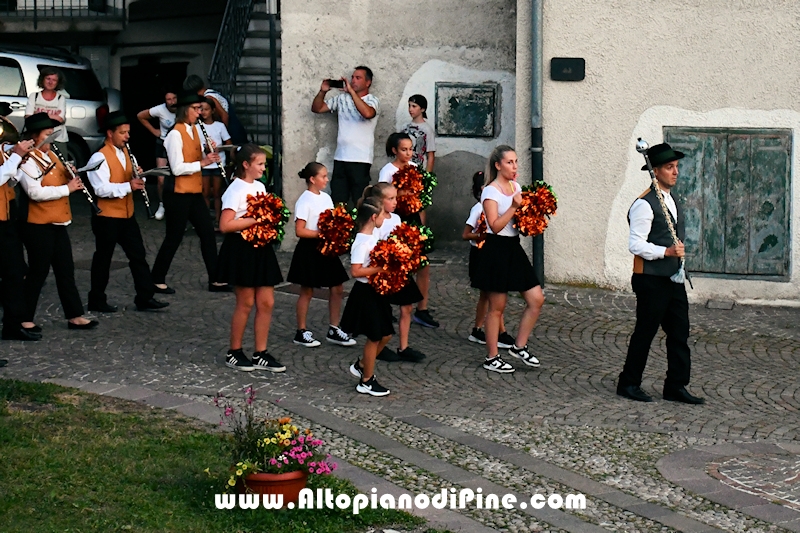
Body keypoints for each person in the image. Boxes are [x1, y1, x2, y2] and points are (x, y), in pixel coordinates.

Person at [617, 143, 705, 405]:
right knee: (645, 331)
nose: (675, 172)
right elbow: (636, 244)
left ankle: (676, 386)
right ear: (655, 172)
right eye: (669, 167)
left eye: (676, 167)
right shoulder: (645, 204)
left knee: (680, 332)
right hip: (651, 279)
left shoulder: (670, 198)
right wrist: (666, 252)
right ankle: (629, 383)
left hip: (672, 278)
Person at [16, 112, 99, 332]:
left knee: (65, 269)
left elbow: (60, 177)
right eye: (47, 135)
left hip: (57, 220)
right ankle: (24, 318)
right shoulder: (27, 160)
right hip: (36, 223)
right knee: (38, 271)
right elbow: (35, 192)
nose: (51, 140)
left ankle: (74, 315)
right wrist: (68, 188)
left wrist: (71, 173)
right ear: (35, 137)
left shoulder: (51, 155)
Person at [84, 111, 170, 313]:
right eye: (122, 133)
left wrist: (139, 177)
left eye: (127, 132)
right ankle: (96, 299)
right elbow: (100, 189)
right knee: (103, 259)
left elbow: (131, 180)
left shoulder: (125, 153)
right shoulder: (99, 157)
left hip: (126, 214)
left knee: (138, 255)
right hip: (106, 217)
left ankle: (145, 297)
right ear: (110, 133)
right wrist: (128, 186)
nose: (127, 136)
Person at [473, 145, 544, 373]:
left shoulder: (516, 187)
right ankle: (492, 356)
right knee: (497, 307)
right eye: (509, 162)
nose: (514, 167)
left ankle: (519, 346)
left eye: (515, 162)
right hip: (495, 249)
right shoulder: (490, 192)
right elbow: (494, 226)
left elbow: (517, 223)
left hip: (513, 247)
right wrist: (514, 206)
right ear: (498, 165)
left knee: (536, 299)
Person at [150, 91, 230, 294]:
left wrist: (208, 152)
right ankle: (157, 278)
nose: (200, 113)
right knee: (174, 237)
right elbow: (177, 168)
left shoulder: (195, 130)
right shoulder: (175, 134)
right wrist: (203, 162)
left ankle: (216, 279)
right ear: (186, 110)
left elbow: (194, 154)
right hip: (177, 193)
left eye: (201, 109)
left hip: (193, 191)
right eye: (196, 109)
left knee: (207, 234)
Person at [217, 143, 285, 372]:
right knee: (245, 302)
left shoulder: (260, 187)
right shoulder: (234, 190)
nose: (263, 168)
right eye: (260, 164)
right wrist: (256, 219)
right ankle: (234, 351)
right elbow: (225, 225)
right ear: (245, 165)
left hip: (260, 247)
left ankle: (260, 352)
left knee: (267, 302)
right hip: (241, 247)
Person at [287, 162, 356, 348]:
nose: (326, 179)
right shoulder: (304, 200)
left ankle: (334, 327)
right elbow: (300, 231)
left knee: (337, 286)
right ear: (312, 179)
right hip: (309, 248)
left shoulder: (326, 198)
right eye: (323, 176)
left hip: (326, 248)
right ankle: (301, 331)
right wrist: (322, 234)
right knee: (307, 290)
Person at [378, 132, 438, 329]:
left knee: (422, 264)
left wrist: (422, 223)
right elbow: (382, 197)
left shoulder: (415, 169)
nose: (408, 153)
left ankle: (422, 309)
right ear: (394, 150)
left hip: (413, 219)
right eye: (404, 149)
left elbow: (421, 200)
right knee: (393, 264)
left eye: (411, 149)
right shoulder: (387, 170)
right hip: (395, 219)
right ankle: (386, 305)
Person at [366, 182, 425, 363]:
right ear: (379, 201)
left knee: (407, 306)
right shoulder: (375, 220)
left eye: (395, 198)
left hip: (398, 270)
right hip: (383, 272)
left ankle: (404, 346)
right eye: (390, 199)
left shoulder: (396, 219)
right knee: (383, 309)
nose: (395, 202)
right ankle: (380, 345)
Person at [341, 196, 393, 396]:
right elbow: (355, 271)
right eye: (381, 215)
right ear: (373, 217)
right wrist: (380, 268)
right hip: (365, 292)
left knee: (386, 334)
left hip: (377, 291)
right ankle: (366, 380)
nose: (384, 218)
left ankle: (363, 365)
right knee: (374, 336)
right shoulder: (362, 241)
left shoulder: (373, 236)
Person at [462, 171, 516, 349]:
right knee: (492, 295)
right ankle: (499, 333)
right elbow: (466, 234)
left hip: (490, 252)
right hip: (480, 253)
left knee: (489, 295)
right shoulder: (479, 209)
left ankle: (481, 329)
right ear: (482, 189)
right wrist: (482, 235)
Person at [311, 66, 379, 207]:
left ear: (368, 83)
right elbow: (317, 108)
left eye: (358, 78)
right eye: (352, 77)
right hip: (341, 158)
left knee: (360, 201)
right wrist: (322, 92)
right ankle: (340, 228)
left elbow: (367, 113)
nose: (353, 80)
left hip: (361, 159)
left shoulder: (372, 100)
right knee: (338, 199)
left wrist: (352, 93)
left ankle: (359, 229)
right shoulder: (341, 99)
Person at [0, 103, 39, 344]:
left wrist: (18, 165)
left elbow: (9, 181)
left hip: (5, 217)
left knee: (15, 272)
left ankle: (13, 324)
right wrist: (15, 156)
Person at [136, 90, 177, 220]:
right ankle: (162, 204)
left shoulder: (184, 109)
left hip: (177, 144)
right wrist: (154, 131)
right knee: (161, 178)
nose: (172, 102)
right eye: (169, 99)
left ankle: (175, 205)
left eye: (174, 98)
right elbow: (140, 116)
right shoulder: (160, 110)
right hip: (163, 143)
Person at [197, 98, 231, 227]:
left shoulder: (219, 126)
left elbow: (228, 143)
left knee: (217, 193)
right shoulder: (197, 127)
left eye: (206, 109)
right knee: (205, 193)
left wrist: (218, 149)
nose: (203, 112)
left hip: (218, 162)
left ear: (212, 111)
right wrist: (204, 149)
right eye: (201, 109)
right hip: (204, 163)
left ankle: (218, 219)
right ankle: (206, 220)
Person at [25, 66, 68, 155]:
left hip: (57, 138)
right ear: (42, 79)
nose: (50, 82)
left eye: (54, 80)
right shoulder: (34, 96)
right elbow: (28, 116)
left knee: (60, 164)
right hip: (36, 137)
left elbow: (60, 119)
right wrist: (52, 115)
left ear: (58, 82)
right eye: (48, 78)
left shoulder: (61, 98)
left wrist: (39, 114)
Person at [403, 94, 435, 172]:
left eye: (414, 106)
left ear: (422, 109)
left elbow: (431, 155)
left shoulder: (427, 129)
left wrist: (428, 176)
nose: (410, 109)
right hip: (404, 169)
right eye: (409, 106)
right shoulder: (404, 127)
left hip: (419, 169)